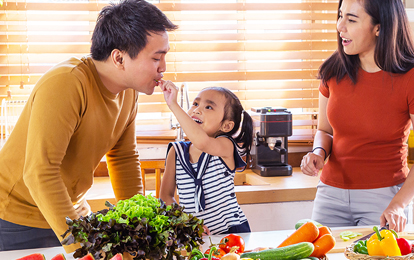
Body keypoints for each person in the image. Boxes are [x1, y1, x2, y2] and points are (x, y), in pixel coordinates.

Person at [0, 0, 177, 252]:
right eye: (156, 58)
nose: (163, 67)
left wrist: (142, 230)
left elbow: (123, 157)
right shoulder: (67, 84)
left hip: (72, 212)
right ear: (119, 58)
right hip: (17, 217)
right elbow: (40, 173)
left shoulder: (128, 92)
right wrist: (79, 247)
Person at [300, 0, 414, 232]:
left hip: (384, 198)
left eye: (351, 20)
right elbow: (325, 131)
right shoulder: (333, 70)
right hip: (330, 195)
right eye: (340, 15)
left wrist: (398, 205)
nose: (340, 26)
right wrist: (318, 153)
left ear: (379, 27)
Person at [159, 84, 253, 235]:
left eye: (208, 107)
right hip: (195, 236)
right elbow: (165, 197)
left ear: (226, 126)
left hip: (232, 233)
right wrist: (187, 223)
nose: (196, 109)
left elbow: (202, 142)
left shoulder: (225, 146)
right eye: (195, 104)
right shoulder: (175, 152)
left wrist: (173, 105)